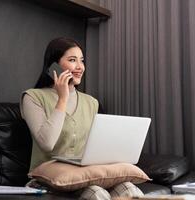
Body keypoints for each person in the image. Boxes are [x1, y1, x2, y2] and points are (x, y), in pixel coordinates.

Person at [20, 37, 144, 200]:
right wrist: (62, 99)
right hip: (47, 178)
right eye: (72, 60)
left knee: (129, 189)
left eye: (82, 61)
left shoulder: (91, 102)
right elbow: (47, 143)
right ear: (53, 66)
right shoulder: (32, 97)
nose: (80, 67)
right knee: (96, 193)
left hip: (83, 175)